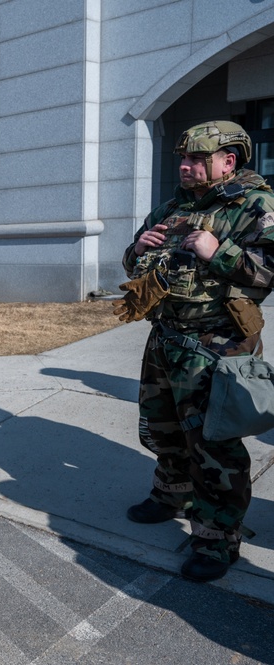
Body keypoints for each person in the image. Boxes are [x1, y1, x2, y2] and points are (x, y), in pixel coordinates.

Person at [118, 120, 274, 583]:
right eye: (183, 159)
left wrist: (217, 250)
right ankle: (171, 494)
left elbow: (268, 273)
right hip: (166, 338)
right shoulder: (172, 207)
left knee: (214, 444)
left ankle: (216, 538)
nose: (185, 166)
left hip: (218, 345)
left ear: (229, 161)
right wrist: (135, 248)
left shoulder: (256, 205)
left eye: (196, 159)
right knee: (161, 427)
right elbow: (140, 264)